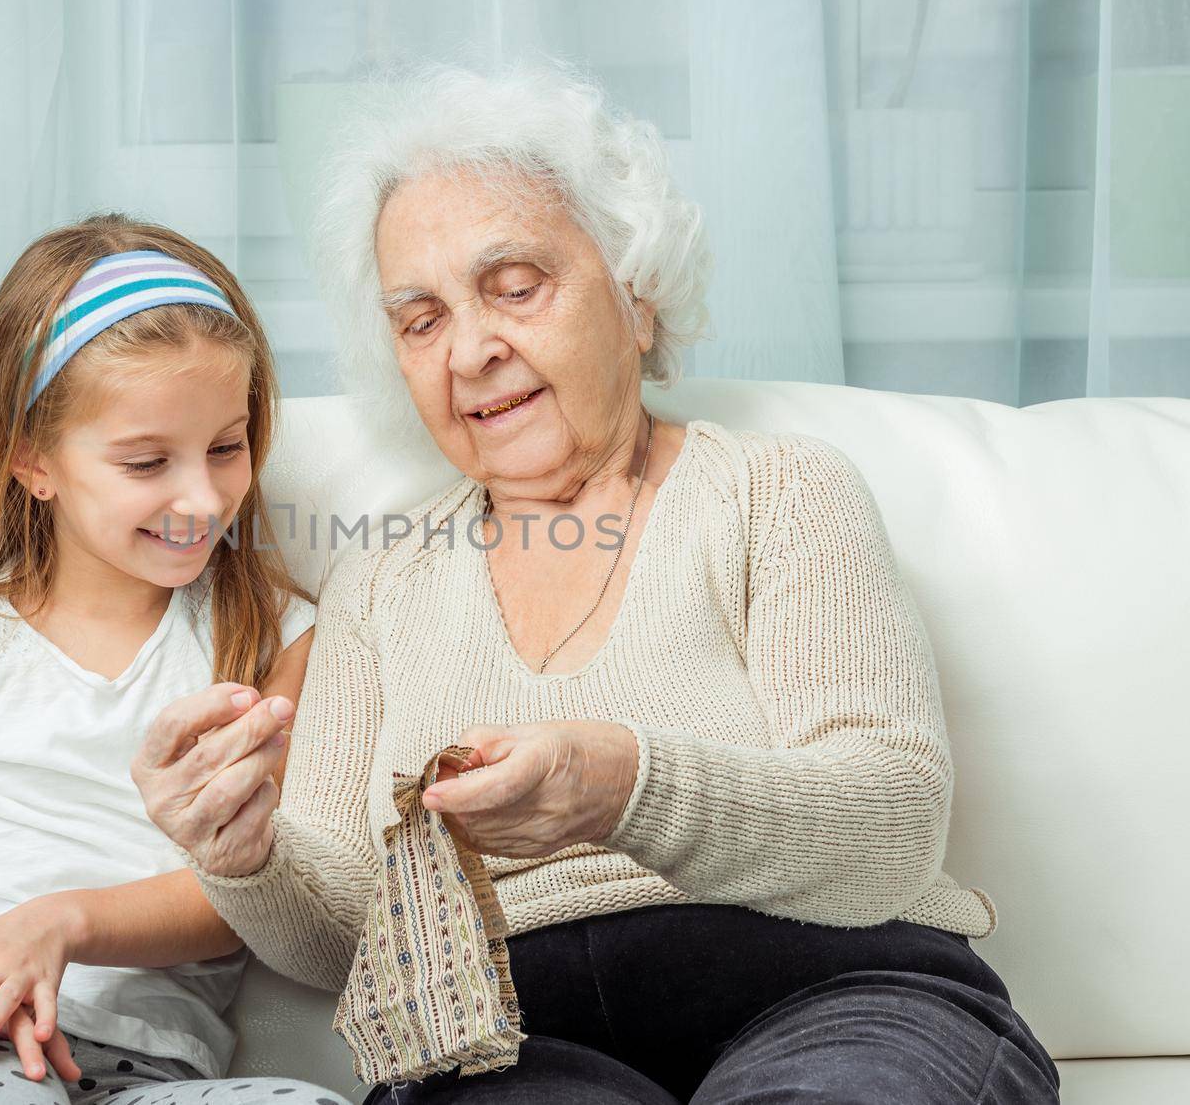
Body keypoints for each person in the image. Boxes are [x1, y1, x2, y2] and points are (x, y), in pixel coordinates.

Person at [133, 64, 1062, 1103]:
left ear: (636, 293)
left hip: (838, 990)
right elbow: (344, 922)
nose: (472, 350)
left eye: (513, 287)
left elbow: (890, 821)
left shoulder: (782, 492)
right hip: (507, 1043)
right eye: (420, 318)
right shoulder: (377, 581)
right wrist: (245, 855)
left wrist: (625, 787)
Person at [0, 213, 347, 1105]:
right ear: (31, 458)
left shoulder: (275, 636)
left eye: (226, 447)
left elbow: (236, 898)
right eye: (147, 461)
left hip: (153, 1072)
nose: (201, 496)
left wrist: (61, 925)